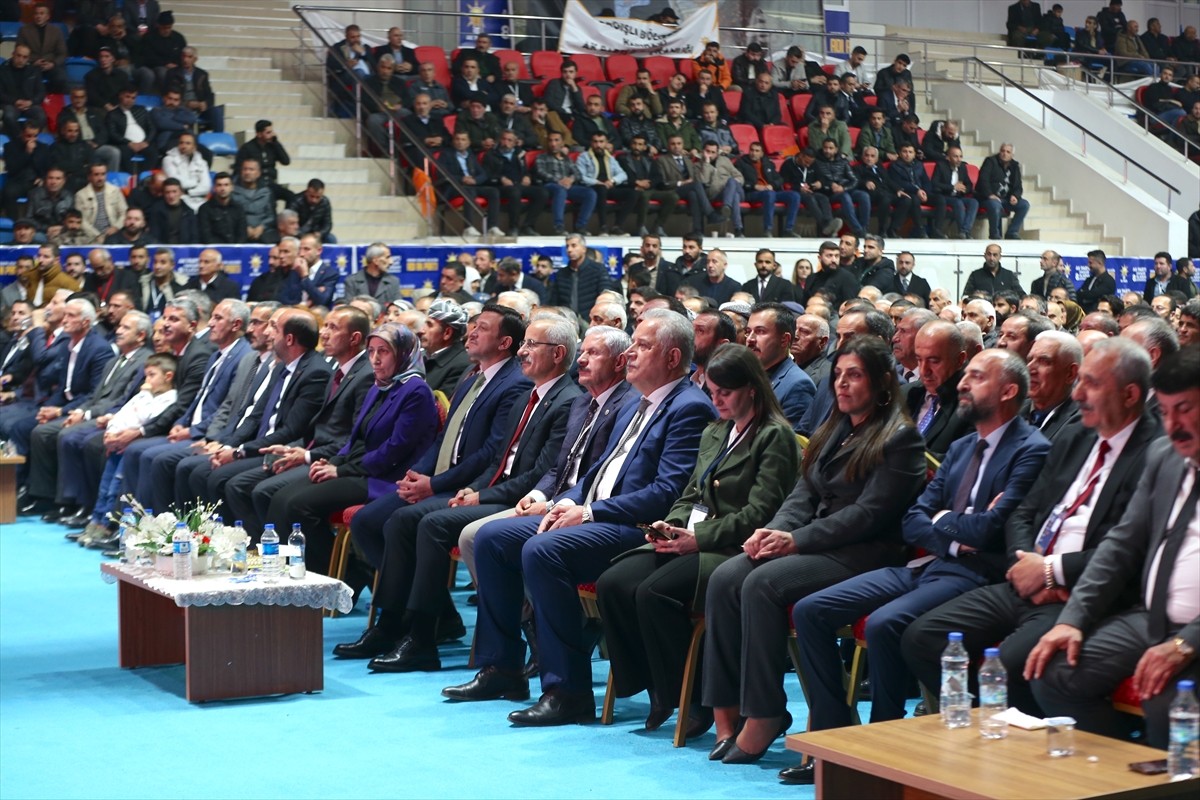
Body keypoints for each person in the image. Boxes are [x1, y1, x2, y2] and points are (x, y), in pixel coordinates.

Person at [442, 309, 716, 725]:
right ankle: (503, 668)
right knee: (493, 539)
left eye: (643, 346)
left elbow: (665, 494)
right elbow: (593, 473)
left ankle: (567, 690)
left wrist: (587, 511)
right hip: (596, 515)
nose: (632, 355)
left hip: (634, 527)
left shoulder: (689, 407)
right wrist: (562, 503)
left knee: (543, 550)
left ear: (673, 358)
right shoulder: (635, 403)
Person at [789, 349, 1048, 781]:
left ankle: (883, 747)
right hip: (930, 564)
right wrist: (954, 531)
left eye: (977, 377)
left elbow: (991, 532)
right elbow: (914, 519)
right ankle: (836, 738)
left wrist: (946, 525)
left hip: (978, 574)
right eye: (965, 375)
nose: (963, 383)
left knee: (884, 623)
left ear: (1008, 391)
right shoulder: (964, 445)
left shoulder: (1032, 449)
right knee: (811, 610)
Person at [902, 337, 1161, 718]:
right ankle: (988, 728)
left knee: (1013, 661)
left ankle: (1020, 740)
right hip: (1023, 576)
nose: (1077, 395)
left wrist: (1050, 572)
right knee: (922, 638)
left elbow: (1127, 545)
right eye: (1080, 383)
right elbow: (1024, 512)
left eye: (1091, 384)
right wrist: (1026, 564)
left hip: (1083, 591)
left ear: (1130, 393)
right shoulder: (1077, 436)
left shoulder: (1157, 451)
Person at [703, 336, 926, 767]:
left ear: (882, 382)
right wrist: (774, 531)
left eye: (854, 375)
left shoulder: (900, 437)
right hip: (819, 545)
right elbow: (802, 494)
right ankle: (730, 710)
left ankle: (766, 713)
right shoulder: (837, 426)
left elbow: (868, 515)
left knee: (762, 583)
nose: (841, 384)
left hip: (867, 553)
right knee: (728, 575)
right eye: (839, 374)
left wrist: (797, 540)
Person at [341, 316, 582, 672]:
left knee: (425, 524)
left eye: (532, 345)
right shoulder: (519, 391)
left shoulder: (560, 398)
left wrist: (479, 495)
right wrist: (474, 488)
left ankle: (423, 636)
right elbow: (499, 458)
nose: (523, 351)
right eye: (525, 343)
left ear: (558, 354)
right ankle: (394, 623)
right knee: (395, 521)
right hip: (492, 489)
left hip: (518, 499)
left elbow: (539, 472)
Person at [597, 342, 800, 732]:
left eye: (725, 391)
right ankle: (653, 687)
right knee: (613, 582)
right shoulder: (715, 431)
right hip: (693, 537)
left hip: (731, 549)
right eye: (711, 390)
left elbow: (760, 514)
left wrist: (697, 537)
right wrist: (670, 526)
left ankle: (691, 699)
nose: (716, 398)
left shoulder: (775, 436)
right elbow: (690, 493)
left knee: (652, 592)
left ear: (752, 389)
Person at [1024, 344, 1198, 749]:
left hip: (1194, 630)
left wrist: (1187, 642)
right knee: (1054, 676)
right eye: (1167, 411)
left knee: (1167, 703)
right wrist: (1073, 619)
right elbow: (1121, 544)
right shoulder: (1165, 456)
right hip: (1150, 617)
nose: (1173, 425)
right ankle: (1120, 781)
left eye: (1186, 409)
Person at [257, 323, 438, 576]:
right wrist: (332, 461)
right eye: (371, 351)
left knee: (298, 506)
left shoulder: (415, 390)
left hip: (385, 477)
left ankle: (334, 578)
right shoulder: (380, 385)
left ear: (403, 353)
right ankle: (299, 575)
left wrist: (340, 470)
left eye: (383, 352)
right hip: (360, 468)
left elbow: (394, 450)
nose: (374, 359)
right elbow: (355, 439)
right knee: (281, 498)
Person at [535, 131, 594, 236]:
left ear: (562, 143)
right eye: (550, 140)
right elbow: (541, 172)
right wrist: (559, 180)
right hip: (550, 185)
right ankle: (559, 226)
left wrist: (570, 179)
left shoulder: (567, 159)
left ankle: (580, 226)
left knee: (590, 193)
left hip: (567, 185)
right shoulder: (542, 157)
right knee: (560, 190)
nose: (553, 144)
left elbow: (577, 173)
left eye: (556, 140)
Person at [976, 144, 1029, 240]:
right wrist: (989, 194)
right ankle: (995, 235)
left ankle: (1012, 232)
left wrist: (1015, 196)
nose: (1004, 154)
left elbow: (1018, 185)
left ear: (1012, 155)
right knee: (995, 205)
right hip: (988, 198)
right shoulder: (990, 161)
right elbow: (983, 180)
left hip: (1006, 199)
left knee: (1024, 205)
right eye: (1002, 151)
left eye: (1008, 152)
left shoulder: (1014, 166)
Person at [1076, 249, 1117, 314]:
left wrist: (1085, 294)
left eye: (1090, 263)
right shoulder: (1089, 279)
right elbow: (1078, 294)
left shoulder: (1108, 281)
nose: (1088, 265)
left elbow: (1093, 295)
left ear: (1100, 263)